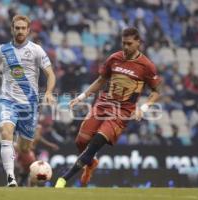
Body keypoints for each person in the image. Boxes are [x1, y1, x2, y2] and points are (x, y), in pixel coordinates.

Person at [55, 27, 161, 188]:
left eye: (129, 43)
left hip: (122, 112)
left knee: (96, 142)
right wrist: (82, 97)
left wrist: (143, 108)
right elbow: (101, 80)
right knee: (81, 141)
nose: (125, 47)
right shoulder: (114, 58)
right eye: (123, 43)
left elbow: (156, 92)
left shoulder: (147, 66)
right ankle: (91, 163)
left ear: (138, 43)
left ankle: (63, 179)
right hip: (103, 104)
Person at [0, 15, 56, 187]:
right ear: (12, 29)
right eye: (17, 28)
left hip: (29, 105)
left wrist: (49, 92)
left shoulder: (37, 50)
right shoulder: (3, 50)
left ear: (28, 30)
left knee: (24, 148)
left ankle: (29, 174)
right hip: (8, 101)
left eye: (23, 28)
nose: (20, 31)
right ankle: (10, 177)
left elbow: (50, 74)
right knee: (6, 133)